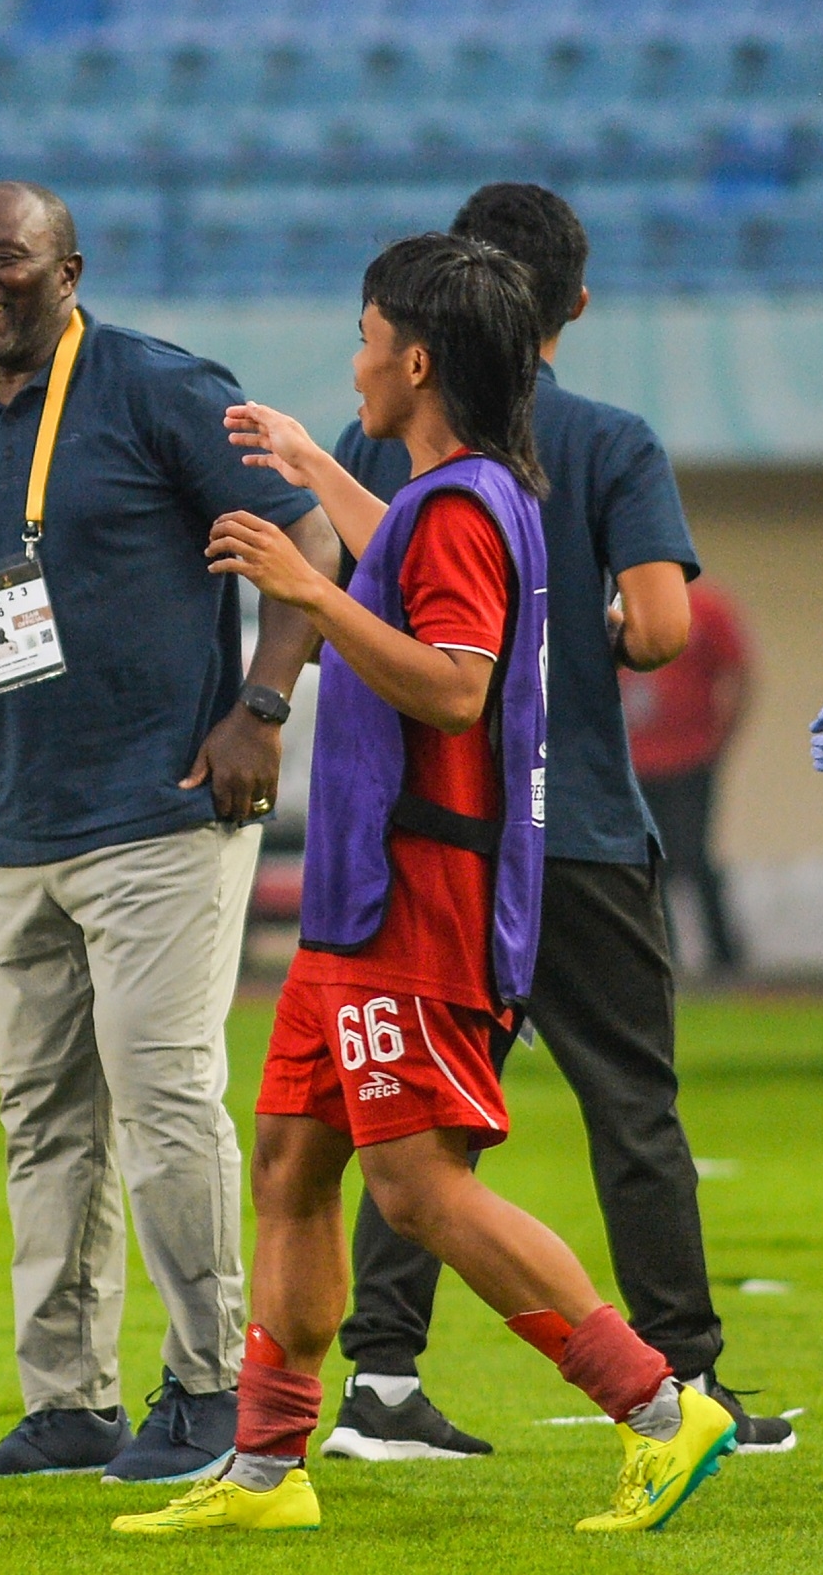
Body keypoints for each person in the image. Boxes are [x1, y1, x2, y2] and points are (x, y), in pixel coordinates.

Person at [114, 232, 739, 1537]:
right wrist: (313, 467)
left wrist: (305, 593)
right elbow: (403, 558)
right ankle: (270, 1470)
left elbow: (453, 684)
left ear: (413, 358)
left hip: (421, 903)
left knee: (418, 1189)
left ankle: (658, 1406)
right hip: (363, 902)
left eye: (360, 338)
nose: (351, 361)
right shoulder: (461, 494)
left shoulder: (462, 508)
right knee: (291, 1162)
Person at [329, 184, 792, 1460]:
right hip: (571, 817)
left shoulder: (384, 434)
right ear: (572, 304)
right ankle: (686, 1380)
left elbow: (332, 592)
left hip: (431, 833)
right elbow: (657, 628)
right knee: (631, 1107)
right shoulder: (608, 438)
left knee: (408, 1111)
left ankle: (378, 1381)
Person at [0, 183, 340, 1484]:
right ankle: (69, 1402)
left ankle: (217, 1388)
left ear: (70, 269)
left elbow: (308, 535)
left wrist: (263, 707)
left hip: (166, 807)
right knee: (45, 1118)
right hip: (23, 816)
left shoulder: (153, 384)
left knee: (165, 1102)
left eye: (6, 257)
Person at [628, 579, 753, 976]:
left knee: (693, 856)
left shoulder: (705, 609)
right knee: (650, 863)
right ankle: (666, 957)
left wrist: (718, 742)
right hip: (635, 764)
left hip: (689, 761)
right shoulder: (620, 608)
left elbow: (737, 674)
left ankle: (724, 959)